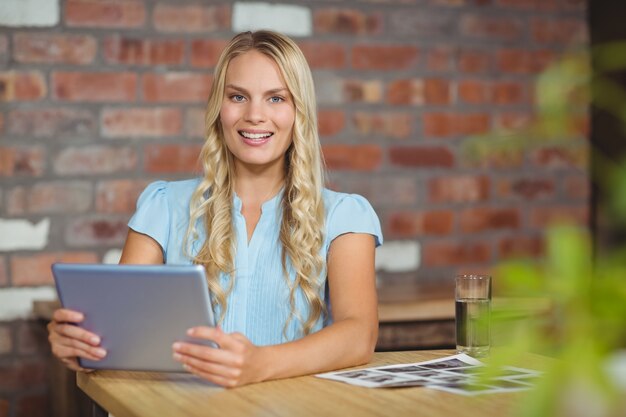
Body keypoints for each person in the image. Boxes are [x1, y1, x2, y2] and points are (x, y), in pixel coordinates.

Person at [47, 30, 383, 387]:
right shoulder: (163, 207)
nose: (255, 115)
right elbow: (117, 331)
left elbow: (359, 336)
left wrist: (260, 364)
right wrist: (80, 341)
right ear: (217, 108)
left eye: (276, 99)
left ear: (299, 110)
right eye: (238, 96)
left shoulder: (345, 216)